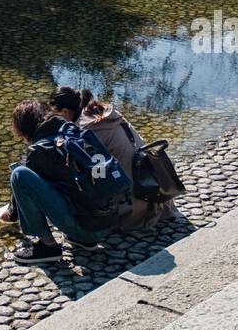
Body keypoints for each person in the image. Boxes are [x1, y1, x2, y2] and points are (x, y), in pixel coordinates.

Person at [2, 99, 124, 266]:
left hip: (86, 229)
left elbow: (25, 191)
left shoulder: (39, 150)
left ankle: (47, 246)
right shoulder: (74, 131)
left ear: (24, 129)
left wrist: (10, 214)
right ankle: (83, 240)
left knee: (19, 174)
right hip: (109, 222)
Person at [49, 86, 177, 232]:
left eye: (56, 114)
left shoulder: (85, 132)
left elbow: (96, 177)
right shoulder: (104, 112)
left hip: (134, 206)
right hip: (153, 188)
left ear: (65, 112)